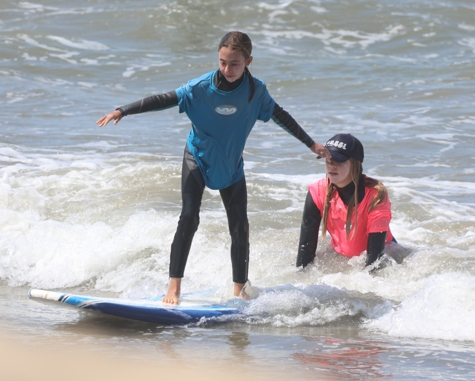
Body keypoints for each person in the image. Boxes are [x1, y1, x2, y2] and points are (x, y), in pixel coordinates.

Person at [97, 31, 329, 304]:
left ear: (248, 62)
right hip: (197, 157)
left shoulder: (256, 92)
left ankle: (238, 290)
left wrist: (311, 144)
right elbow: (163, 99)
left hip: (230, 165)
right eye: (222, 62)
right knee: (188, 218)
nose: (227, 69)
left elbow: (281, 117)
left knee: (240, 226)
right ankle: (174, 287)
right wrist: (122, 110)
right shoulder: (200, 88)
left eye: (234, 64)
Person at [296, 133, 408, 270]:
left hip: (386, 253)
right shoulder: (317, 192)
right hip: (341, 254)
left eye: (338, 159)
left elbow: (375, 260)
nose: (331, 164)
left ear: (355, 163)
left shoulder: (375, 194)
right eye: (327, 158)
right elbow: (305, 254)